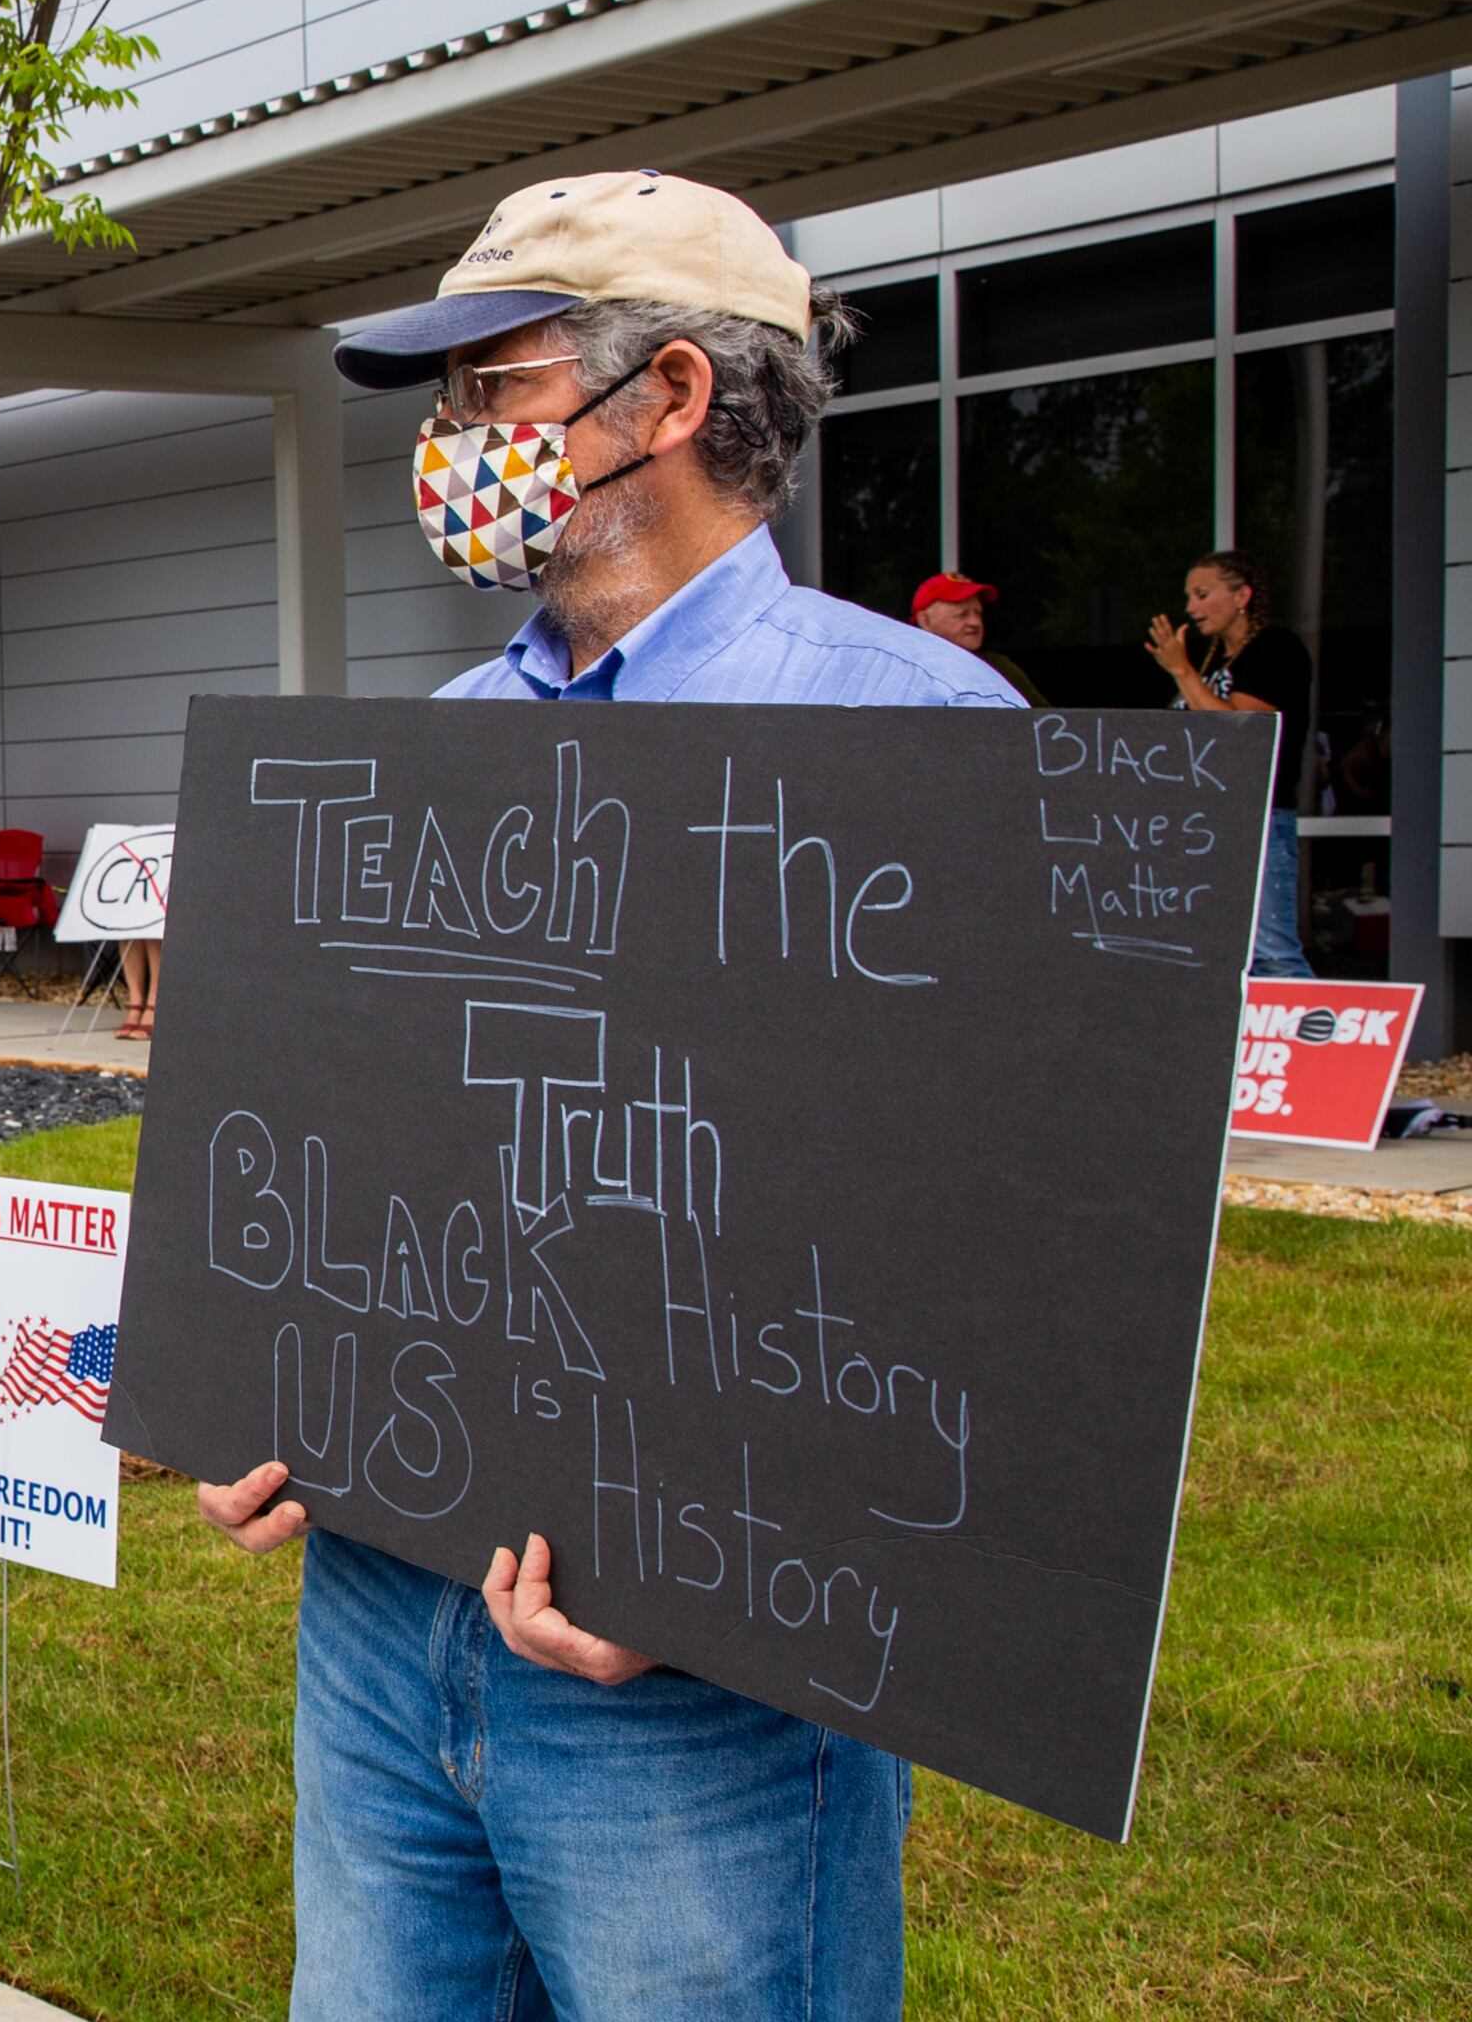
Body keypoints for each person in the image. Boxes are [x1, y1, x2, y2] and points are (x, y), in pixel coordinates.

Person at [234, 169, 1014, 2021]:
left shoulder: (925, 746)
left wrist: (730, 1577)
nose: (448, 443)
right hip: (376, 1629)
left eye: (488, 393)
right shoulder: (424, 758)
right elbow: (379, 1166)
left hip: (692, 1700)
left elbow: (1009, 1281)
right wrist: (268, 1378)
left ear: (664, 398)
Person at [1149, 548, 1314, 978]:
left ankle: (1311, 1041)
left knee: (1272, 951)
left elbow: (1241, 730)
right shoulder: (1217, 660)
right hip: (1205, 822)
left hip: (1254, 816)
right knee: (1217, 954)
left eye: (1202, 594)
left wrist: (1181, 672)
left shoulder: (1274, 648)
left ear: (1242, 596)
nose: (1191, 607)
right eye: (1189, 596)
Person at [911, 573, 1044, 704]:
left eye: (978, 613)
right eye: (962, 614)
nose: (975, 622)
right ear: (925, 621)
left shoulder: (999, 666)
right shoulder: (908, 669)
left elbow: (1046, 719)